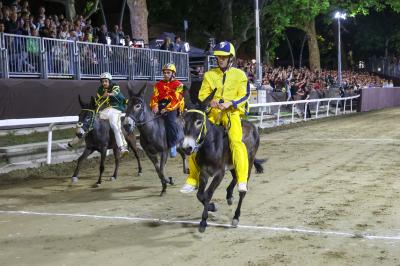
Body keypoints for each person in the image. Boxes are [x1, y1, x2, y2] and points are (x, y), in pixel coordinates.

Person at [180, 41, 250, 193]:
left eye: (224, 57)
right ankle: (192, 179)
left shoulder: (240, 75)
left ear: (231, 57)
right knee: (196, 137)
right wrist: (211, 101)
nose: (221, 59)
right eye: (219, 57)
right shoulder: (209, 75)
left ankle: (242, 180)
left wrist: (231, 103)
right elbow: (202, 93)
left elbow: (245, 95)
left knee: (236, 141)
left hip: (231, 113)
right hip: (213, 113)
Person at [62, 73, 129, 156]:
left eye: (106, 81)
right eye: (102, 81)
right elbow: (97, 100)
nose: (104, 83)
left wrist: (109, 94)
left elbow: (115, 92)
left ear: (109, 81)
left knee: (114, 125)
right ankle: (71, 144)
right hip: (106, 110)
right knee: (91, 122)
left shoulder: (115, 86)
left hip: (116, 109)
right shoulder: (100, 89)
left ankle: (122, 147)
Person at [150, 63, 185, 158]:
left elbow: (177, 99)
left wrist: (166, 109)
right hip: (161, 105)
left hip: (173, 106)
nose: (165, 74)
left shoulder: (180, 85)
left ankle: (173, 144)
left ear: (173, 74)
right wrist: (154, 105)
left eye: (168, 72)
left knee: (170, 121)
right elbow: (154, 96)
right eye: (164, 73)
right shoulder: (158, 84)